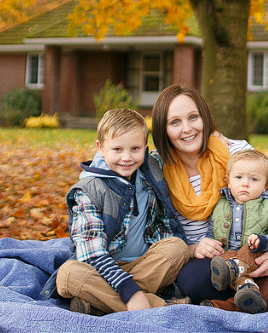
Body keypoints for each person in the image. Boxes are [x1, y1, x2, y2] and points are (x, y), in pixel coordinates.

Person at [151, 84, 268, 313]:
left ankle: (229, 306)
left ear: (205, 117)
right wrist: (192, 249)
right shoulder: (157, 170)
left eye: (194, 117)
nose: (187, 128)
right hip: (215, 265)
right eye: (175, 122)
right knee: (191, 281)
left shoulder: (236, 150)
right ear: (163, 129)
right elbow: (155, 230)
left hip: (261, 250)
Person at [55, 108, 190, 314]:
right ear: (100, 148)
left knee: (178, 247)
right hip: (101, 270)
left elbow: (180, 147)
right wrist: (129, 291)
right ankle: (158, 306)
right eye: (117, 149)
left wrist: (218, 138)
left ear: (145, 148)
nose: (127, 158)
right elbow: (92, 254)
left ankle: (102, 303)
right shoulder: (89, 191)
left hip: (144, 265)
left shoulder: (150, 170)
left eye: (135, 149)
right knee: (67, 275)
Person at [204, 148, 268, 313]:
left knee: (247, 251)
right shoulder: (219, 204)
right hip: (228, 254)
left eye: (254, 179)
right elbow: (212, 230)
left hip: (257, 253)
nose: (245, 183)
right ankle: (248, 293)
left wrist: (264, 241)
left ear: (266, 186)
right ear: (228, 181)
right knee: (226, 260)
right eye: (238, 178)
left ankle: (234, 270)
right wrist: (210, 244)